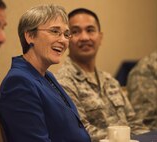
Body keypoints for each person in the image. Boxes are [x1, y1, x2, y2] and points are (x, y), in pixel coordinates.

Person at [0, 4, 91, 142]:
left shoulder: (46, 75)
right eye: (54, 31)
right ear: (30, 36)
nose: (63, 40)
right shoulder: (18, 83)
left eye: (66, 34)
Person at [55, 8, 147, 142]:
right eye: (75, 32)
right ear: (67, 39)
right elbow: (81, 131)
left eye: (90, 30)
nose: (84, 37)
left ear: (100, 37)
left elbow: (135, 123)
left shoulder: (110, 81)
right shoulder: (63, 82)